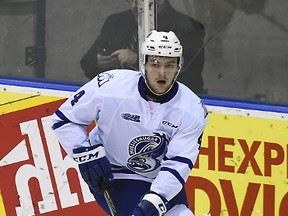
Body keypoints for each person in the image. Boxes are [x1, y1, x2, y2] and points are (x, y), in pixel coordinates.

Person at [51, 30, 208, 215]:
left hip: (159, 175)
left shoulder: (192, 109)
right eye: (155, 64)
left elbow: (177, 163)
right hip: (114, 173)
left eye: (170, 65)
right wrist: (86, 155)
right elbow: (64, 120)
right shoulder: (110, 87)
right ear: (143, 63)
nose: (162, 72)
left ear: (178, 67)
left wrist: (154, 201)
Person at [80, 0, 206, 94]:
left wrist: (139, 61)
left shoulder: (187, 28)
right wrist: (98, 62)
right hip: (115, 98)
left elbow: (190, 78)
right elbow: (86, 62)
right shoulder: (116, 21)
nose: (134, 6)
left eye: (140, 2)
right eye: (132, 0)